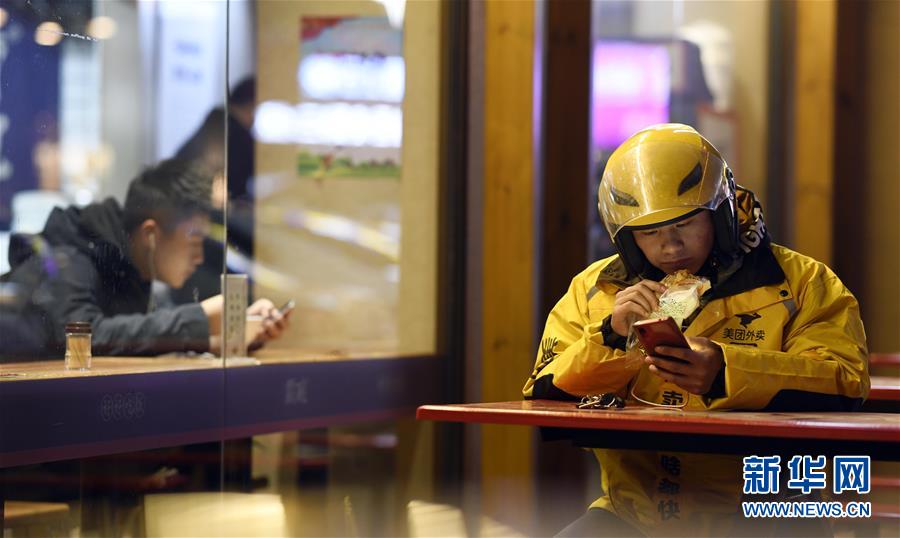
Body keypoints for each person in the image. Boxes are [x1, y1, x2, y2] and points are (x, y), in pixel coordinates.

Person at [523, 124, 869, 536]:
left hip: (768, 512)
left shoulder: (802, 281)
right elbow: (543, 397)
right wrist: (610, 338)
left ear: (721, 215)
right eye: (649, 233)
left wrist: (725, 373)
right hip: (633, 514)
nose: (670, 247)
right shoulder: (596, 290)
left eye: (685, 225)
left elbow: (845, 384)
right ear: (627, 239)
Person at [1, 157, 287, 358]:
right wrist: (201, 316)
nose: (200, 257)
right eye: (194, 240)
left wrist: (238, 333)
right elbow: (82, 338)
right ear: (150, 234)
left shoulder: (131, 268)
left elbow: (138, 338)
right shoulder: (71, 256)